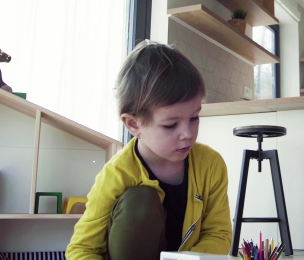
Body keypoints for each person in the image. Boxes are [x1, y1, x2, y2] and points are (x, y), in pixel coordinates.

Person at [66, 40, 232, 259]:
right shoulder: (116, 173)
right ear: (134, 125)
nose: (188, 133)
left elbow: (219, 234)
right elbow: (82, 249)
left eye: (194, 118)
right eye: (170, 125)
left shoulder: (210, 164)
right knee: (140, 201)